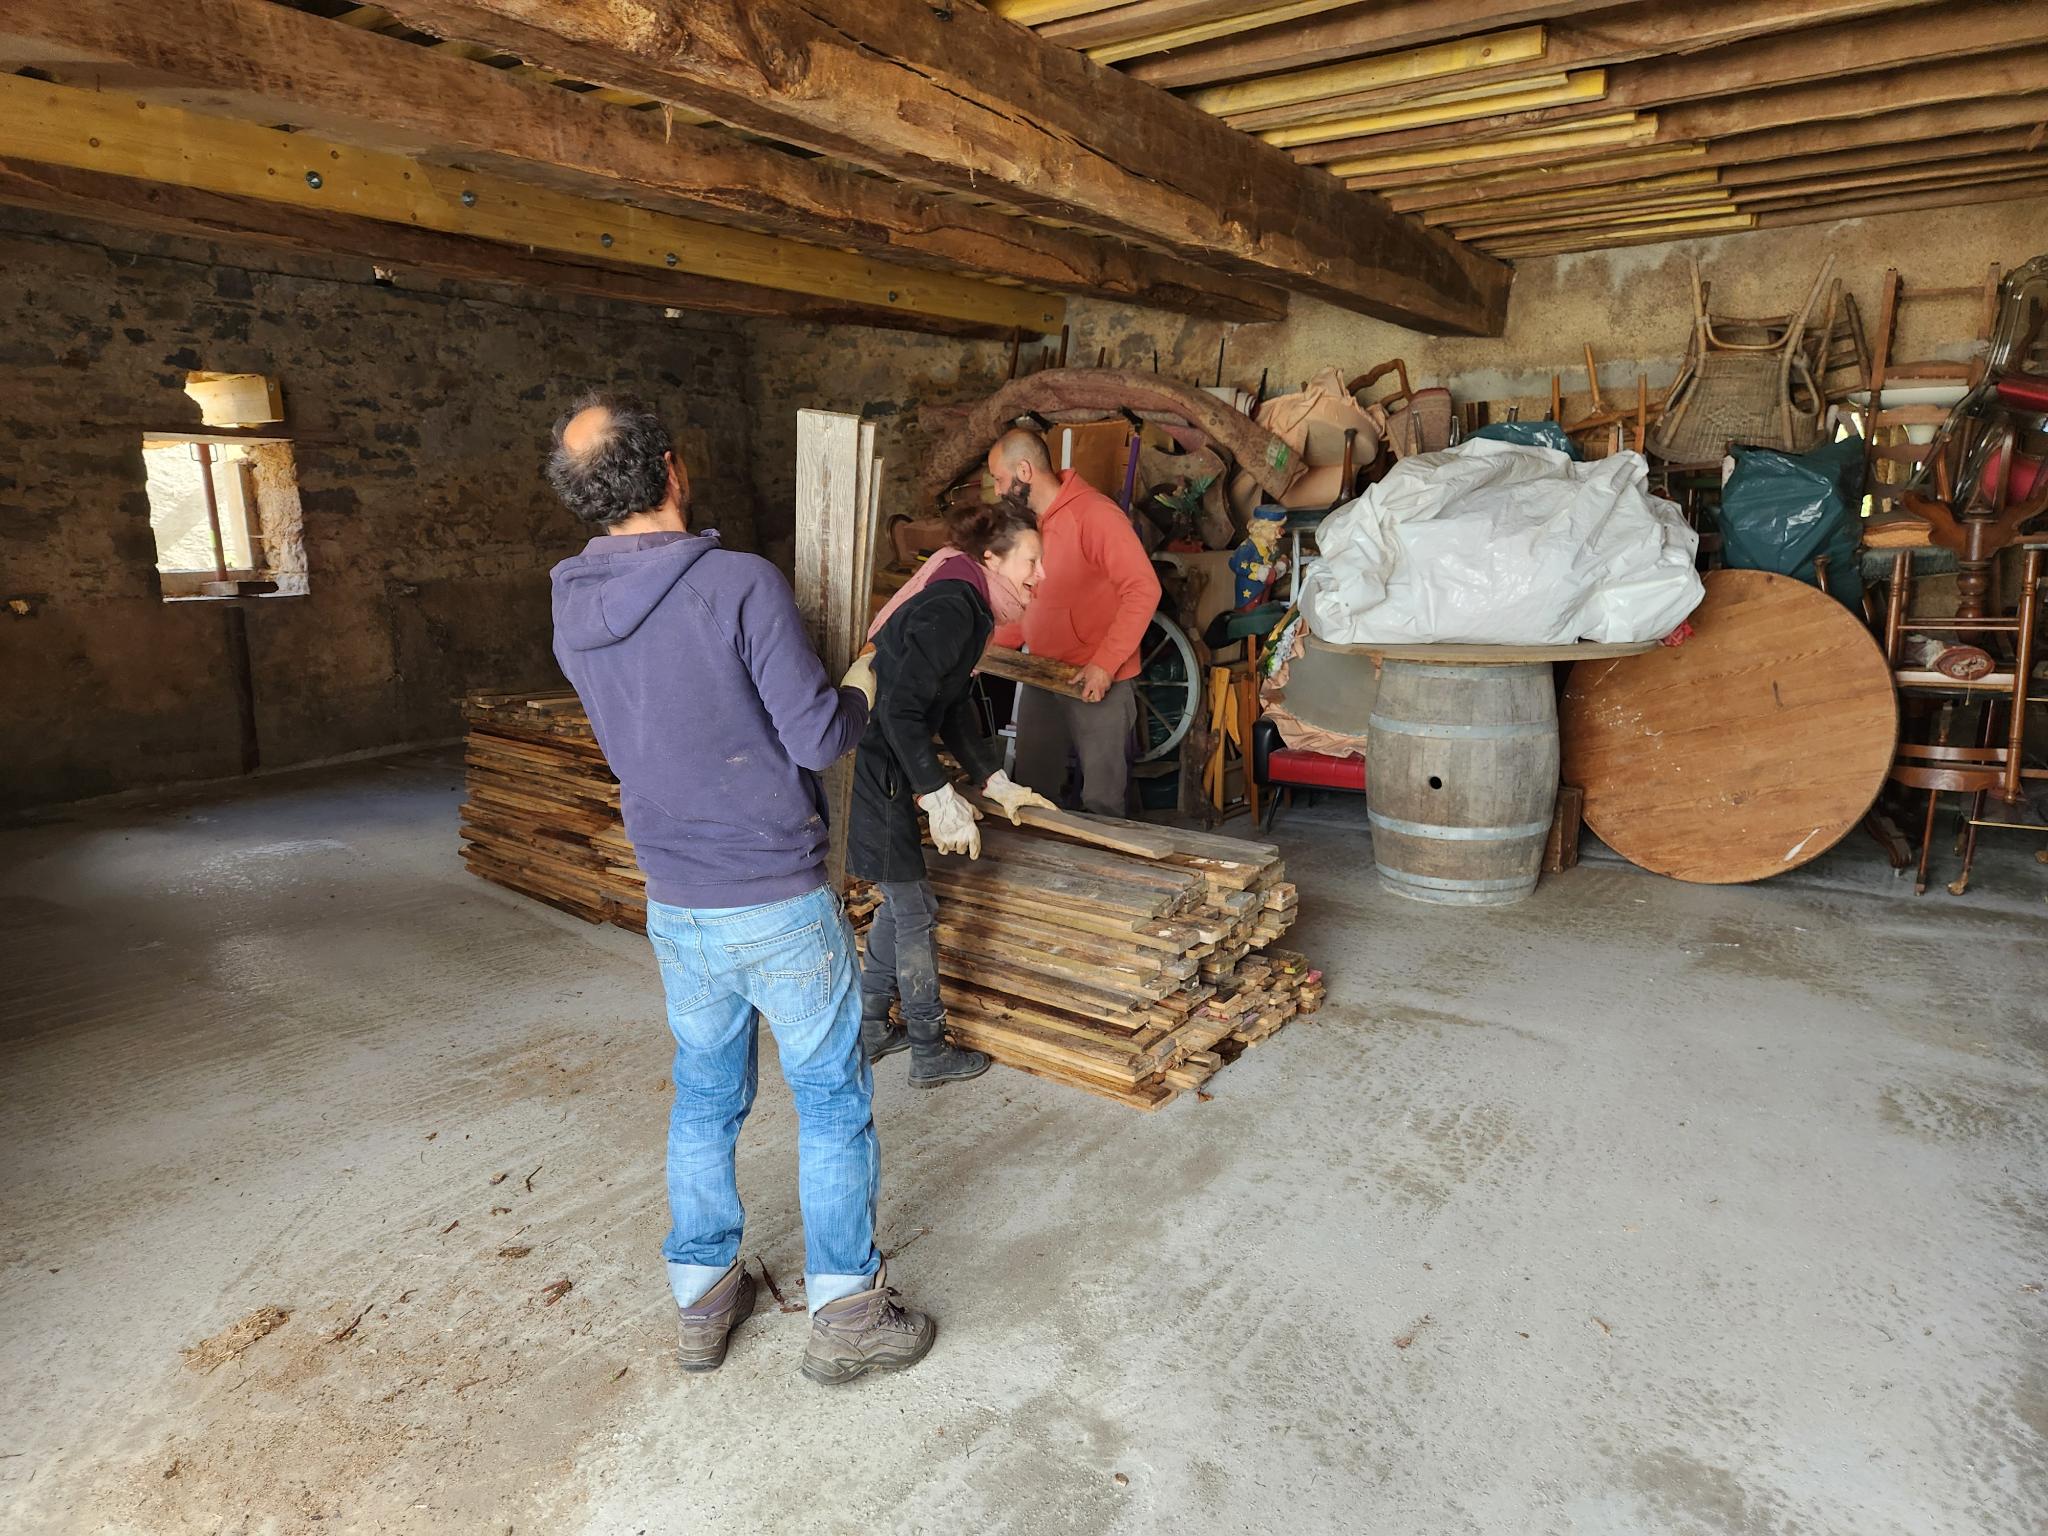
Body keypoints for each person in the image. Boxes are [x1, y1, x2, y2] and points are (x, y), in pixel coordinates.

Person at [546, 392, 934, 1387]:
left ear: (584, 499)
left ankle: (703, 1293)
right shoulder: (738, 584)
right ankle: (847, 1312)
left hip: (674, 898)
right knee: (831, 1100)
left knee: (706, 1096)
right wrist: (864, 682)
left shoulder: (569, 599)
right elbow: (816, 737)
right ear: (671, 469)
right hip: (773, 895)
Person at [849, 501, 1053, 1085]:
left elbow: (954, 705)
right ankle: (928, 1049)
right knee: (916, 911)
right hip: (869, 766)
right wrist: (939, 796)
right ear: (992, 558)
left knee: (903, 904)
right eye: (1031, 561)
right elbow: (899, 709)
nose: (1040, 574)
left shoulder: (969, 601)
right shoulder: (951, 607)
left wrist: (993, 779)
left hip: (884, 762)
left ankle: (869, 1030)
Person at [985, 428, 1162, 817]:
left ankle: (1102, 859)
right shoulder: (1031, 524)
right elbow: (1032, 601)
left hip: (1097, 678)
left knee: (1102, 801)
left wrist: (1105, 664)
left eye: (999, 479)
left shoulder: (1095, 515)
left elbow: (1143, 589)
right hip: (1042, 674)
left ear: (1024, 471)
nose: (997, 490)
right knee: (1031, 791)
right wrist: (986, 648)